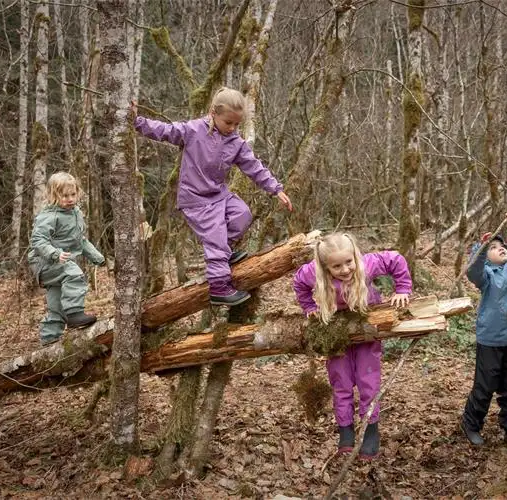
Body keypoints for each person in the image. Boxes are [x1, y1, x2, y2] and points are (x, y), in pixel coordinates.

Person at [132, 87, 293, 306]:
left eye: (237, 124)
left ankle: (222, 253)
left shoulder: (236, 143)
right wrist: (137, 121)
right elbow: (164, 130)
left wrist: (276, 188)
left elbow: (254, 167)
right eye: (228, 122)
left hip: (219, 195)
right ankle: (219, 286)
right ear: (213, 113)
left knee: (242, 214)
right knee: (215, 237)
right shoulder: (193, 130)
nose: (233, 128)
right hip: (196, 199)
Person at [293, 233, 412, 460]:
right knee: (341, 381)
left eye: (349, 262)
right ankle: (345, 430)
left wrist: (403, 289)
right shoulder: (313, 272)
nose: (346, 269)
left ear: (355, 256)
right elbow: (298, 282)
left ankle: (370, 428)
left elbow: (396, 259)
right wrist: (308, 305)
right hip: (335, 329)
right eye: (336, 266)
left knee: (368, 381)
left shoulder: (367, 264)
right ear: (325, 267)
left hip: (367, 325)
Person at [460, 209, 507, 452]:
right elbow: (472, 271)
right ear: (486, 257)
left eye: (502, 246)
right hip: (490, 339)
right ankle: (471, 424)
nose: (499, 248)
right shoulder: (487, 276)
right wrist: (480, 249)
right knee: (485, 385)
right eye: (492, 248)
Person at [28, 172, 105, 346]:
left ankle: (49, 341)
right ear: (54, 196)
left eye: (73, 194)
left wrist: (97, 257)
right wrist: (54, 253)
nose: (70, 199)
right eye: (64, 196)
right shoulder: (49, 215)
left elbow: (80, 240)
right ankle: (75, 313)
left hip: (58, 263)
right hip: (44, 263)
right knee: (74, 274)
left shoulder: (75, 213)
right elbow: (38, 240)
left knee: (56, 306)